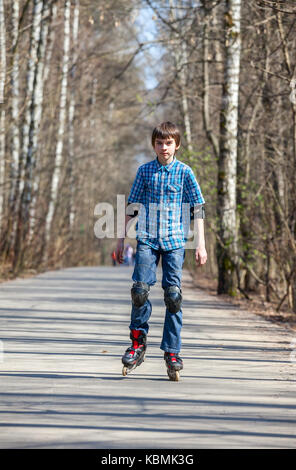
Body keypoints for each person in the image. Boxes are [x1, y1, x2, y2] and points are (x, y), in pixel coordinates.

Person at [116, 121, 207, 380]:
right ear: (153, 145)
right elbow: (132, 206)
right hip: (147, 238)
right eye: (159, 143)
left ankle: (172, 351)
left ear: (176, 145)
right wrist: (121, 240)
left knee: (173, 296)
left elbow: (198, 208)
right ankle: (137, 343)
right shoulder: (145, 171)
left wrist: (201, 244)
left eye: (168, 143)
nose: (164, 147)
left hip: (175, 241)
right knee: (140, 291)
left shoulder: (185, 173)